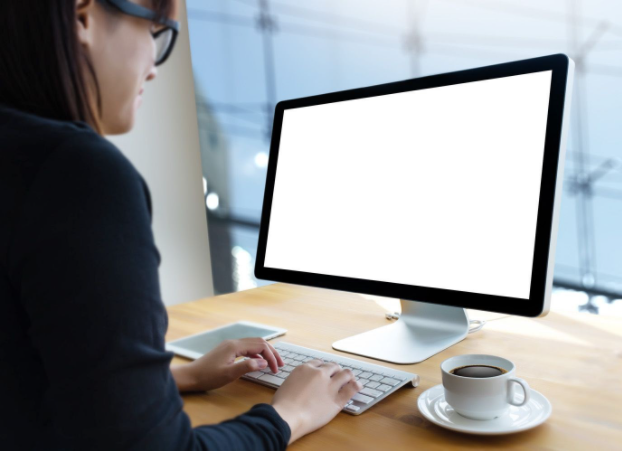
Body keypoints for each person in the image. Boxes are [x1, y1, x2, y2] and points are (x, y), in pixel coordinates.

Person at [0, 0, 362, 449]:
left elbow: (25, 375)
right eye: (155, 33)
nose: (154, 68)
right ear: (82, 17)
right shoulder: (75, 174)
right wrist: (288, 414)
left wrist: (181, 376)